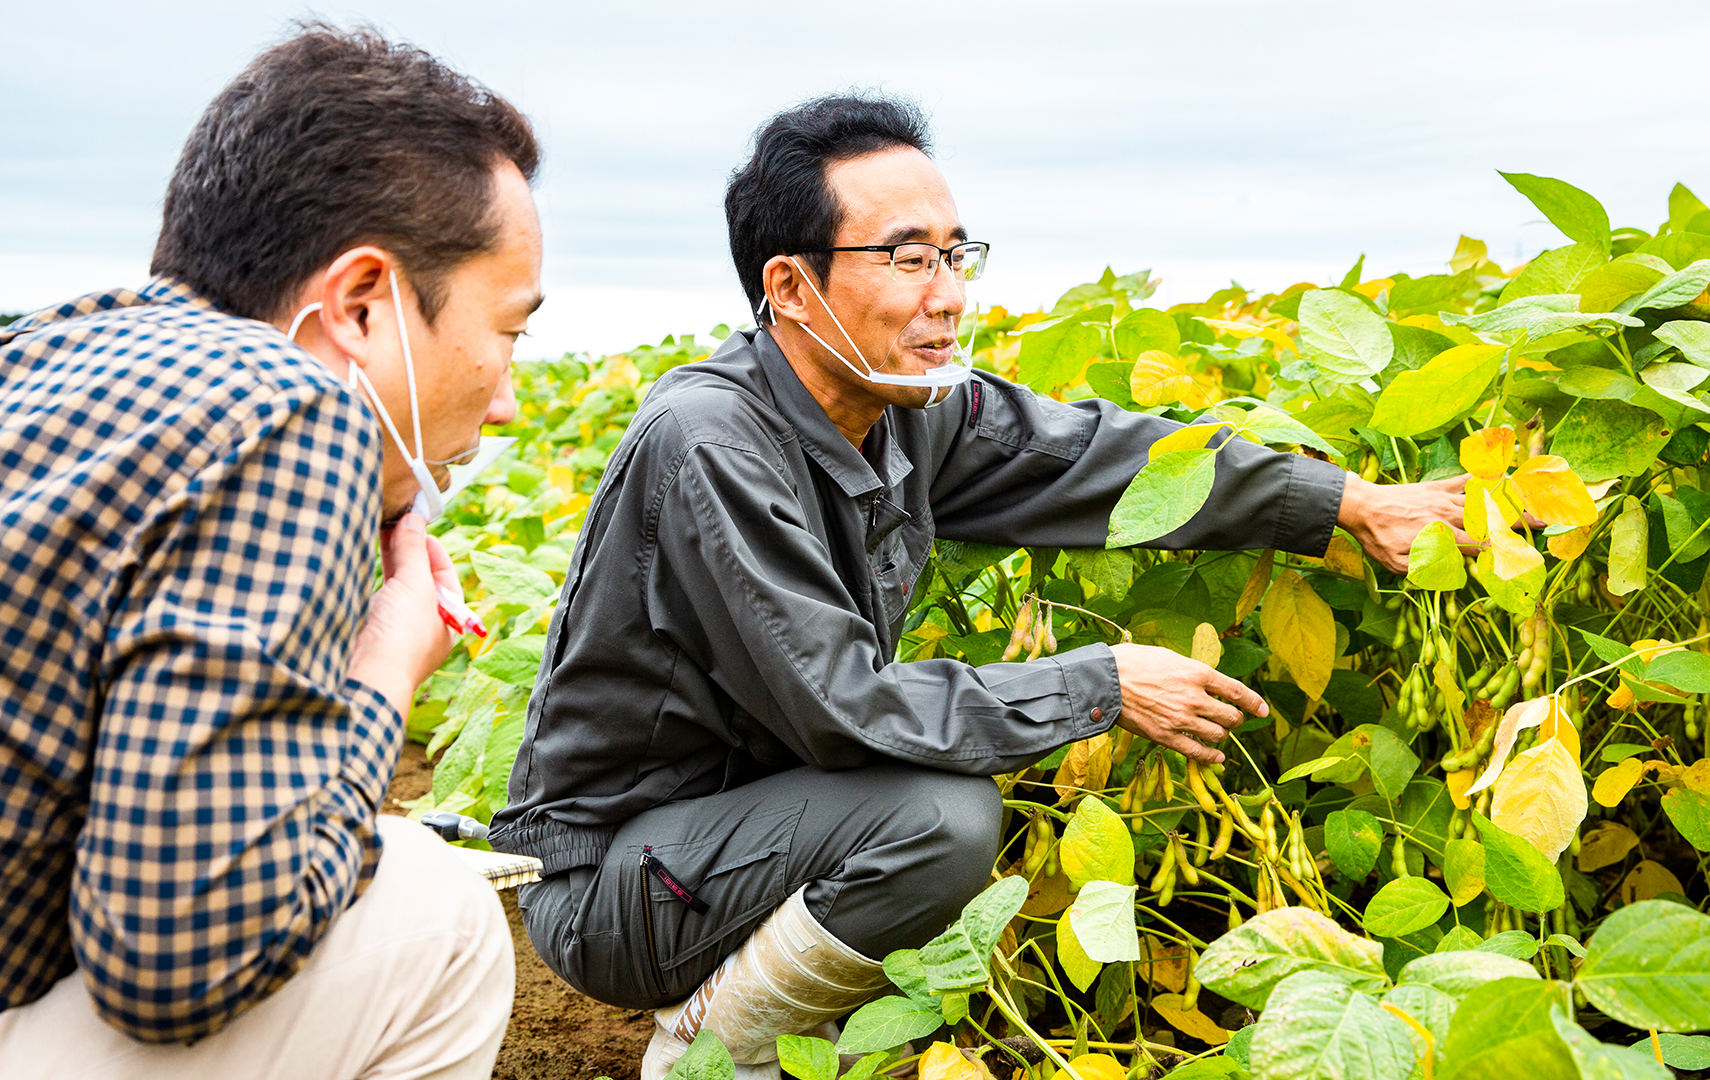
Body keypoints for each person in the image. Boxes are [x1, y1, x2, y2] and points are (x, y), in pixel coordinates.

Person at [492, 94, 1467, 1079]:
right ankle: (714, 1054)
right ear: (790, 286)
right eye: (910, 259)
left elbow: (1100, 460)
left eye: (959, 256)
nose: (950, 293)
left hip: (756, 832)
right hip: (615, 881)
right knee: (938, 819)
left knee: (943, 792)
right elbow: (843, 707)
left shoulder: (907, 408)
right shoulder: (708, 440)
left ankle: (777, 1016)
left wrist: (1346, 501)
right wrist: (1105, 683)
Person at [0, 26, 543, 1080]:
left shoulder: (12, 356)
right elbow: (178, 960)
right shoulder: (291, 413)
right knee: (435, 917)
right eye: (511, 330)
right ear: (360, 303)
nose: (509, 396)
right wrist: (386, 675)